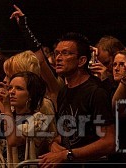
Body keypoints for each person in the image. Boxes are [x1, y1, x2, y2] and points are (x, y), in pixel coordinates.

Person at [39, 32, 115, 167]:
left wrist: (67, 154)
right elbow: (71, 134)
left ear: (81, 61)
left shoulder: (96, 92)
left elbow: (109, 142)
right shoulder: (64, 91)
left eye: (66, 53)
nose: (58, 58)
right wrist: (54, 143)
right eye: (57, 53)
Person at [0, 71, 57, 162]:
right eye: (10, 87)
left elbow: (13, 141)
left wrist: (7, 107)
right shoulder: (5, 116)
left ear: (31, 95)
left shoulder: (40, 119)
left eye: (19, 88)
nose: (11, 92)